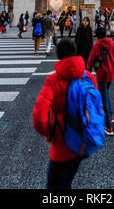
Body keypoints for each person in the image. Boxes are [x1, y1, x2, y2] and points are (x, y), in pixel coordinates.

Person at [33, 38, 98, 190]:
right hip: (83, 141)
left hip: (62, 142)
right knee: (67, 180)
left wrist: (47, 132)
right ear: (75, 52)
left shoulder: (53, 80)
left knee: (54, 186)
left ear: (59, 55)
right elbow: (95, 105)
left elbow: (40, 113)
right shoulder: (88, 77)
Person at [87, 26, 114, 136]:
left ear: (97, 35)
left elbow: (91, 59)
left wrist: (88, 71)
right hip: (111, 73)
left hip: (102, 74)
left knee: (104, 97)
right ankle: (110, 115)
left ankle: (108, 127)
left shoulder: (97, 45)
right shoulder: (111, 43)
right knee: (105, 95)